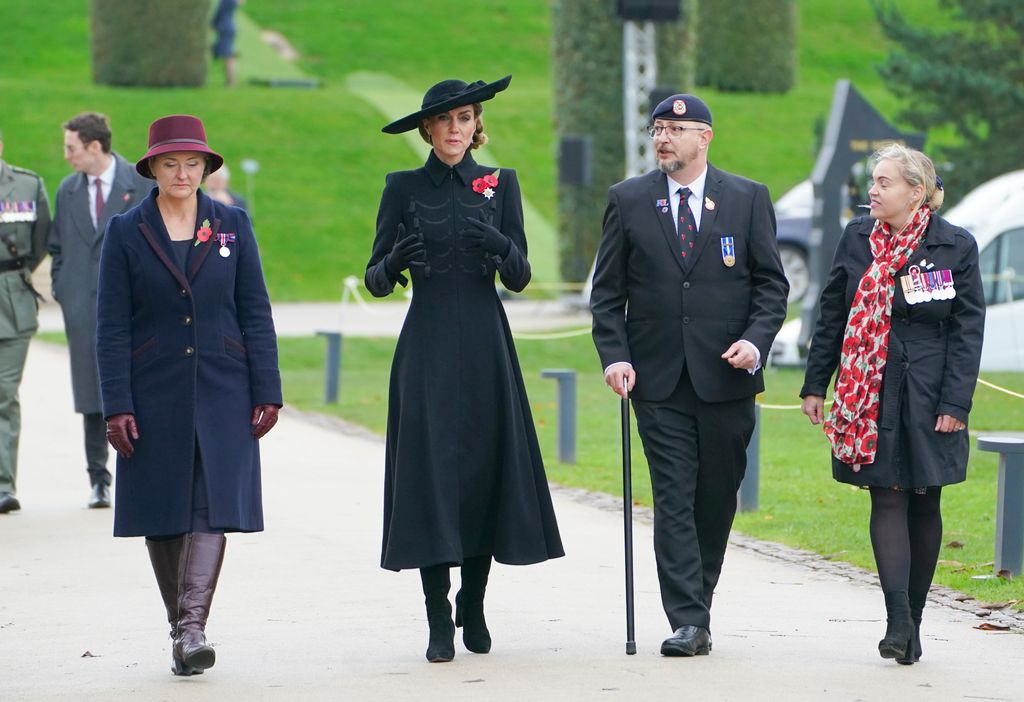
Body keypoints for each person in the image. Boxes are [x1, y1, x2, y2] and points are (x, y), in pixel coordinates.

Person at [367, 75, 564, 663]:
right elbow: (376, 281)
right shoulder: (401, 187)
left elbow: (522, 277)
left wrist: (501, 245)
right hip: (425, 344)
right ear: (428, 128)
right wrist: (393, 260)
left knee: (482, 471)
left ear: (478, 126)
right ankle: (436, 616)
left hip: (485, 344)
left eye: (466, 119)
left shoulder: (499, 184)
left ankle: (473, 605)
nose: (457, 130)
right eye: (447, 121)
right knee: (429, 475)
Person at [591, 94, 789, 656]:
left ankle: (698, 603)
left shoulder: (748, 199)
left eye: (676, 128)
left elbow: (771, 285)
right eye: (658, 128)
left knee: (715, 496)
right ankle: (687, 617)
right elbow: (607, 294)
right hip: (655, 380)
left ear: (704, 137)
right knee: (672, 495)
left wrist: (755, 341)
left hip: (726, 378)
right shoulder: (628, 200)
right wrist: (615, 356)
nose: (663, 138)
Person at [96, 114, 281, 675]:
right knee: (163, 508)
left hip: (225, 384)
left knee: (211, 504)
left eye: (193, 163)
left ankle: (192, 627)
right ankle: (184, 630)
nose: (183, 172)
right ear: (152, 167)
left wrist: (268, 390)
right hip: (153, 389)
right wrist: (116, 404)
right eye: (171, 162)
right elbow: (112, 325)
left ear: (206, 167)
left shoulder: (232, 224)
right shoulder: (127, 231)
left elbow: (255, 310)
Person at [800, 144, 984, 665]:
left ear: (916, 191)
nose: (872, 191)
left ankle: (915, 621)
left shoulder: (953, 245)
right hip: (868, 387)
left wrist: (956, 401)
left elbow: (968, 331)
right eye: (872, 181)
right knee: (886, 494)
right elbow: (832, 310)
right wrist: (817, 383)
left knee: (925, 499)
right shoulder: (856, 238)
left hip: (931, 390)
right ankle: (897, 619)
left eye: (883, 182)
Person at [49, 112, 152, 509]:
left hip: (135, 308)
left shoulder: (141, 184)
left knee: (138, 390)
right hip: (83, 309)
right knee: (93, 395)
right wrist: (64, 289)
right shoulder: (67, 190)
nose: (66, 156)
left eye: (71, 148)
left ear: (95, 147)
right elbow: (58, 247)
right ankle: (98, 478)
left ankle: (141, 473)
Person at [0, 128, 50, 515]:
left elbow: (39, 243)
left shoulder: (28, 185)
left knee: (3, 394)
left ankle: (3, 485)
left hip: (12, 301)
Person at [211, 0, 244, 87]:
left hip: (224, 28)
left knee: (227, 56)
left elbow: (219, 13)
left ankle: (231, 82)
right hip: (229, 28)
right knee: (227, 54)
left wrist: (212, 24)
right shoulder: (232, 2)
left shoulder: (225, 1)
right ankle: (230, 81)